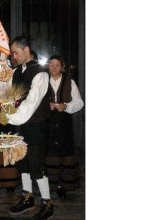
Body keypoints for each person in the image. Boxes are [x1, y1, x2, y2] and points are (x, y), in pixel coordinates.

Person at [0, 36, 54, 220]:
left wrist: (4, 117)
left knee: (36, 164)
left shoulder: (41, 72)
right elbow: (7, 95)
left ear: (26, 50)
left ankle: (47, 203)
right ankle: (28, 197)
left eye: (16, 53)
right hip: (20, 125)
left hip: (36, 125)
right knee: (22, 161)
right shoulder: (17, 72)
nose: (14, 57)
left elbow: (30, 104)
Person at [46, 55, 84, 198]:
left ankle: (62, 186)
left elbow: (79, 102)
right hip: (48, 124)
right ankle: (51, 186)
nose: (54, 68)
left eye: (57, 65)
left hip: (64, 125)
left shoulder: (70, 82)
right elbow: (35, 101)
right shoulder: (42, 82)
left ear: (62, 67)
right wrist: (46, 106)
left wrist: (66, 106)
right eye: (51, 65)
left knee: (64, 155)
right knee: (50, 155)